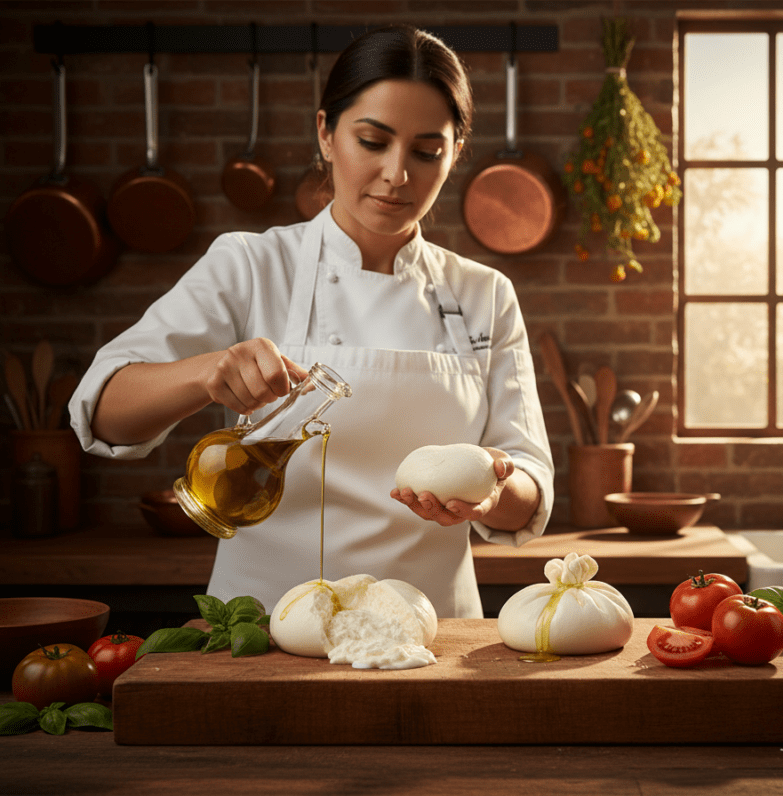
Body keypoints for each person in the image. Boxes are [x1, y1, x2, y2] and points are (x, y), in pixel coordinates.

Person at [69, 25, 555, 619]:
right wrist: (207, 373)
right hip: (260, 628)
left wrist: (492, 492)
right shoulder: (249, 265)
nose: (397, 174)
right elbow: (102, 411)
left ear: (455, 154)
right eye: (372, 141)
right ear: (325, 133)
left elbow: (529, 483)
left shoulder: (484, 294)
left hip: (432, 634)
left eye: (426, 152)